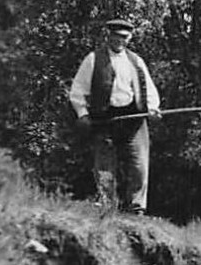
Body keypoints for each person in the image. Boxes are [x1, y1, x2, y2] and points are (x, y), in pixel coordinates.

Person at [68, 17, 162, 214]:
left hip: (133, 118)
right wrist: (82, 113)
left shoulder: (136, 61)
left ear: (129, 38)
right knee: (104, 164)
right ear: (108, 36)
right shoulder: (93, 59)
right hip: (105, 118)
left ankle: (136, 208)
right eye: (116, 36)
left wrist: (153, 109)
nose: (120, 41)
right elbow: (78, 90)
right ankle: (106, 205)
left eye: (124, 37)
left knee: (139, 165)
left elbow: (150, 90)